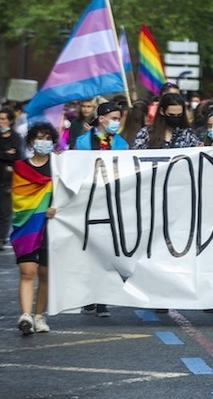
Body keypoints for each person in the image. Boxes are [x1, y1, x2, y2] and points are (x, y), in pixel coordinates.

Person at [76, 101, 128, 317]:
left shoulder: (122, 144)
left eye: (118, 119)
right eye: (113, 118)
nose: (116, 123)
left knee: (107, 251)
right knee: (89, 251)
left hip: (111, 201)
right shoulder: (82, 142)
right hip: (88, 201)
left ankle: (102, 299)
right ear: (102, 118)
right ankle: (89, 295)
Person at [10, 121, 58, 335]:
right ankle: (26, 315)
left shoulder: (59, 167)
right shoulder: (20, 168)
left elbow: (69, 194)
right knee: (27, 272)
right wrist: (38, 208)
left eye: (48, 139)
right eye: (40, 138)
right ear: (31, 141)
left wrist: (56, 207)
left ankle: (39, 316)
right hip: (27, 226)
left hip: (52, 227)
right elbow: (19, 199)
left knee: (45, 274)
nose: (44, 142)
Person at [0, 108, 25, 251]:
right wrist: (5, 154)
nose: (0, 122)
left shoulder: (16, 138)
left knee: (4, 209)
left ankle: (1, 237)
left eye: (3, 119)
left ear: (10, 121)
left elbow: (16, 156)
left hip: (7, 178)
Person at [132, 93, 202, 150]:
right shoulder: (146, 134)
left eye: (179, 115)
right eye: (171, 115)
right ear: (162, 111)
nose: (175, 118)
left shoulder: (188, 135)